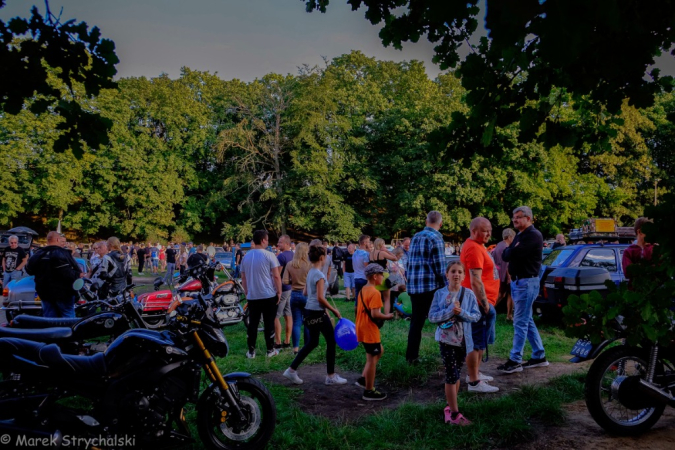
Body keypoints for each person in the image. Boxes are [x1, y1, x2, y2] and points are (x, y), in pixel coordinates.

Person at [282, 244, 346, 385]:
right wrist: (334, 310)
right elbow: (320, 299)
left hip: (309, 311)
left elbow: (305, 292)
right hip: (317, 311)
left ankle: (291, 370)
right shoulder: (319, 274)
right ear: (322, 258)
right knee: (331, 340)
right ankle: (330, 375)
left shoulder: (311, 272)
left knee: (313, 342)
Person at [429, 261, 481, 425]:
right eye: (453, 271)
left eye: (459, 272)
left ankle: (450, 407)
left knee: (457, 373)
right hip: (446, 340)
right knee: (451, 375)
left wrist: (462, 312)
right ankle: (454, 415)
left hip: (464, 341)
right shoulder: (439, 294)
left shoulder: (469, 294)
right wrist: (449, 311)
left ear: (464, 275)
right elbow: (432, 317)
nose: (456, 274)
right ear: (447, 274)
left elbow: (476, 316)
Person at [498, 206, 548, 374]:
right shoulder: (521, 235)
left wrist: (511, 249)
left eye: (518, 217)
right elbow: (507, 254)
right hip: (520, 282)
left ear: (528, 218)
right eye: (513, 217)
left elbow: (512, 253)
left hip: (527, 283)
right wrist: (511, 249)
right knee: (527, 320)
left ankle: (515, 360)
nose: (515, 220)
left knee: (520, 321)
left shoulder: (533, 235)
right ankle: (539, 355)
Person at [460, 217, 499, 393]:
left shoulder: (478, 246)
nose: (488, 233)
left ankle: (475, 373)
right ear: (474, 231)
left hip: (483, 302)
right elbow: (475, 281)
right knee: (475, 342)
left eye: (489, 230)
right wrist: (484, 305)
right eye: (484, 230)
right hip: (477, 303)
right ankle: (474, 382)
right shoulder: (474, 248)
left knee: (481, 341)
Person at [405, 211, 446, 364]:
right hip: (430, 287)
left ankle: (411, 356)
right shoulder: (436, 238)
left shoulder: (415, 236)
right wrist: (446, 286)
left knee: (416, 322)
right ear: (440, 224)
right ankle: (448, 354)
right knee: (444, 319)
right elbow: (440, 268)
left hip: (415, 287)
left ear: (426, 221)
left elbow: (409, 262)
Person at [354, 263, 395, 400]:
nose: (383, 277)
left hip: (361, 327)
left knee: (379, 351)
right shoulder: (375, 292)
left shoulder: (363, 290)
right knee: (371, 360)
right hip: (370, 330)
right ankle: (369, 390)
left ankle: (363, 379)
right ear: (375, 276)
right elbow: (375, 314)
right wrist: (387, 316)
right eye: (382, 275)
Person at [240, 230, 282, 359]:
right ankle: (270, 350)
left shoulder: (246, 256)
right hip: (268, 294)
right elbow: (276, 275)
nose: (268, 242)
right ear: (263, 240)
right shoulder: (269, 255)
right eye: (267, 239)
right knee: (269, 322)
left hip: (253, 295)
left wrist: (246, 291)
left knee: (253, 323)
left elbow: (243, 277)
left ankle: (251, 351)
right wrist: (279, 291)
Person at [25, 231, 82, 318]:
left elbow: (29, 270)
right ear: (58, 239)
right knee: (67, 316)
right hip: (64, 293)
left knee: (49, 317)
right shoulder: (63, 253)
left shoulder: (38, 254)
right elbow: (70, 273)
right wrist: (78, 275)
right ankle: (69, 331)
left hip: (44, 292)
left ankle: (51, 331)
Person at [283, 242, 312, 354]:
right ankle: (307, 347)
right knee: (307, 322)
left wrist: (293, 281)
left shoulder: (290, 264)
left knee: (296, 322)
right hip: (306, 294)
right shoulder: (309, 265)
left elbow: (285, 281)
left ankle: (295, 348)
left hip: (294, 294)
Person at [622, 217, 655, 285]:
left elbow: (661, 270)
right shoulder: (628, 252)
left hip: (654, 291)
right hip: (635, 292)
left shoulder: (656, 249)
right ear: (639, 232)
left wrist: (637, 268)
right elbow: (628, 273)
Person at [274, 235, 294, 350]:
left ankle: (277, 342)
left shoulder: (281, 257)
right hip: (290, 288)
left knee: (275, 316)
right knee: (288, 314)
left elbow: (277, 274)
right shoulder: (293, 255)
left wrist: (277, 289)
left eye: (280, 243)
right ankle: (287, 340)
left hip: (282, 288)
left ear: (286, 243)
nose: (278, 245)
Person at [369, 238, 398, 314]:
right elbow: (395, 258)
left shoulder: (371, 253)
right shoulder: (382, 253)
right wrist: (387, 251)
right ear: (381, 244)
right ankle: (387, 315)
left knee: (376, 298)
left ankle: (376, 314)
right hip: (383, 276)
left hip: (374, 277)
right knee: (387, 298)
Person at [493, 228, 516, 320]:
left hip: (498, 273)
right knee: (502, 294)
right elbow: (506, 264)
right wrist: (509, 276)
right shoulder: (505, 247)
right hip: (504, 274)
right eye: (513, 237)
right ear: (509, 237)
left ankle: (509, 315)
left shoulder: (498, 245)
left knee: (509, 294)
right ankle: (488, 310)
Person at [352, 235, 371, 306]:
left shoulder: (354, 253)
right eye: (368, 242)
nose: (369, 244)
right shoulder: (365, 254)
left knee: (357, 298)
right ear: (364, 243)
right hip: (364, 278)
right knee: (365, 298)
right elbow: (367, 267)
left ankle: (356, 314)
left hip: (356, 277)